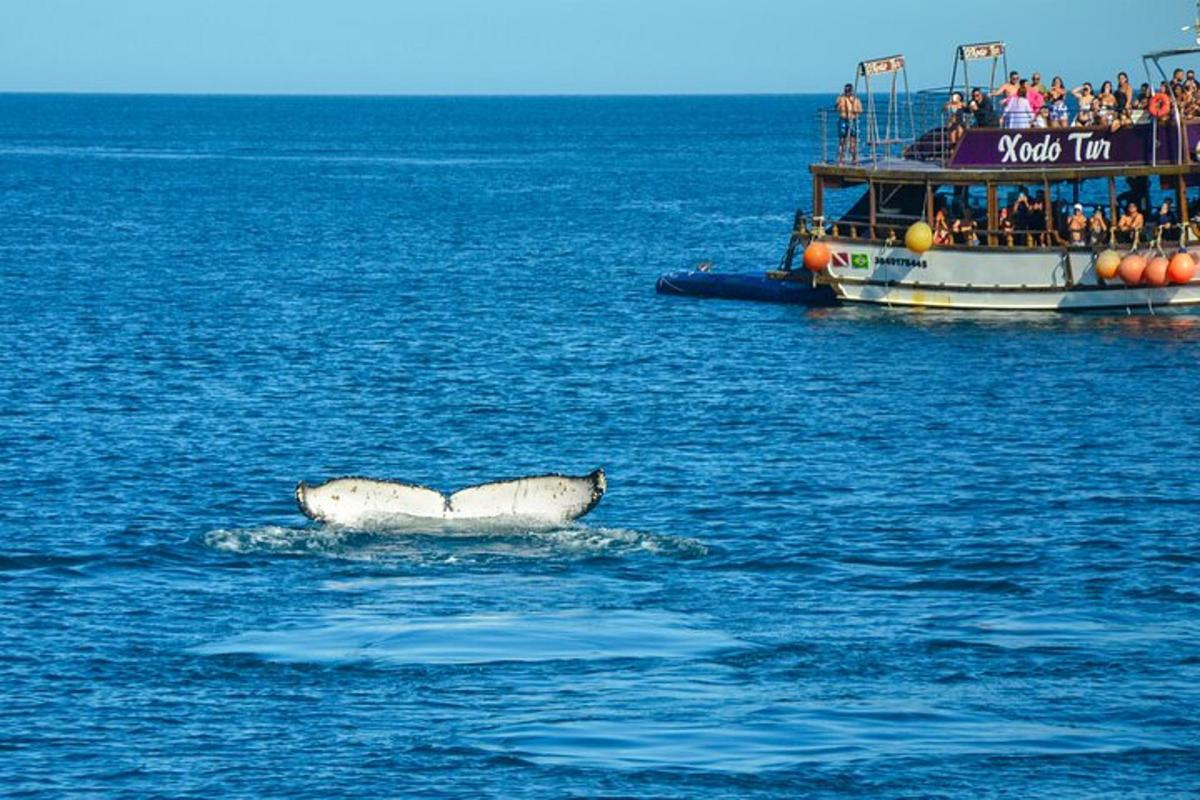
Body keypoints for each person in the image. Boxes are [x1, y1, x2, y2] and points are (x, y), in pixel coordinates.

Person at [836, 84, 863, 164]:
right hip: (843, 119)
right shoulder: (841, 99)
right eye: (846, 90)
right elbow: (837, 108)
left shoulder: (856, 100)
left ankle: (854, 158)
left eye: (848, 90)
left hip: (852, 120)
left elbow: (860, 110)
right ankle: (841, 159)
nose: (847, 92)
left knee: (853, 140)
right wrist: (839, 103)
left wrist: (855, 111)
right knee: (842, 140)